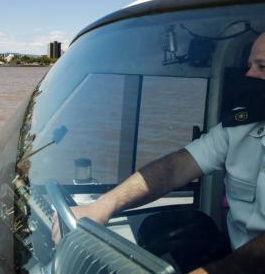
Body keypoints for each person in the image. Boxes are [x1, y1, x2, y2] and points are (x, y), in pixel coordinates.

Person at [52, 32, 265, 274]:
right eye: (249, 65)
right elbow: (175, 168)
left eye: (262, 66)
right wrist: (103, 205)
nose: (249, 75)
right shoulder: (242, 124)